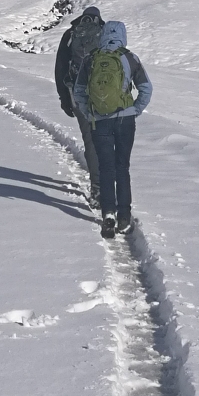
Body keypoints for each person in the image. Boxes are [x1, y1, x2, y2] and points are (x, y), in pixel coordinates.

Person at [72, 20, 152, 236]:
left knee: (106, 168)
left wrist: (89, 113)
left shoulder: (91, 59)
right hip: (125, 120)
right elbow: (146, 89)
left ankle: (108, 213)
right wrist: (135, 110)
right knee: (122, 167)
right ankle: (124, 217)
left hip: (99, 121)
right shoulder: (129, 58)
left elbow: (78, 91)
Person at [54, 5, 105, 204]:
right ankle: (108, 184)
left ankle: (97, 188)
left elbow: (60, 68)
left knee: (90, 139)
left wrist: (64, 99)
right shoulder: (106, 32)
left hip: (77, 93)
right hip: (104, 95)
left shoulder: (71, 34)